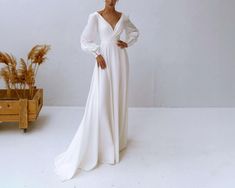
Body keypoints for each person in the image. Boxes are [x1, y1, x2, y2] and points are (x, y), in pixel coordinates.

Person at [54, 0, 139, 181]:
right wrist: (96, 53)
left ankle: (117, 141)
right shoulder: (95, 17)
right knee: (102, 100)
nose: (111, 0)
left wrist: (128, 42)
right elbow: (85, 40)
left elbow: (135, 32)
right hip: (105, 60)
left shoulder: (124, 17)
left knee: (118, 98)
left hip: (121, 61)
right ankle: (103, 145)